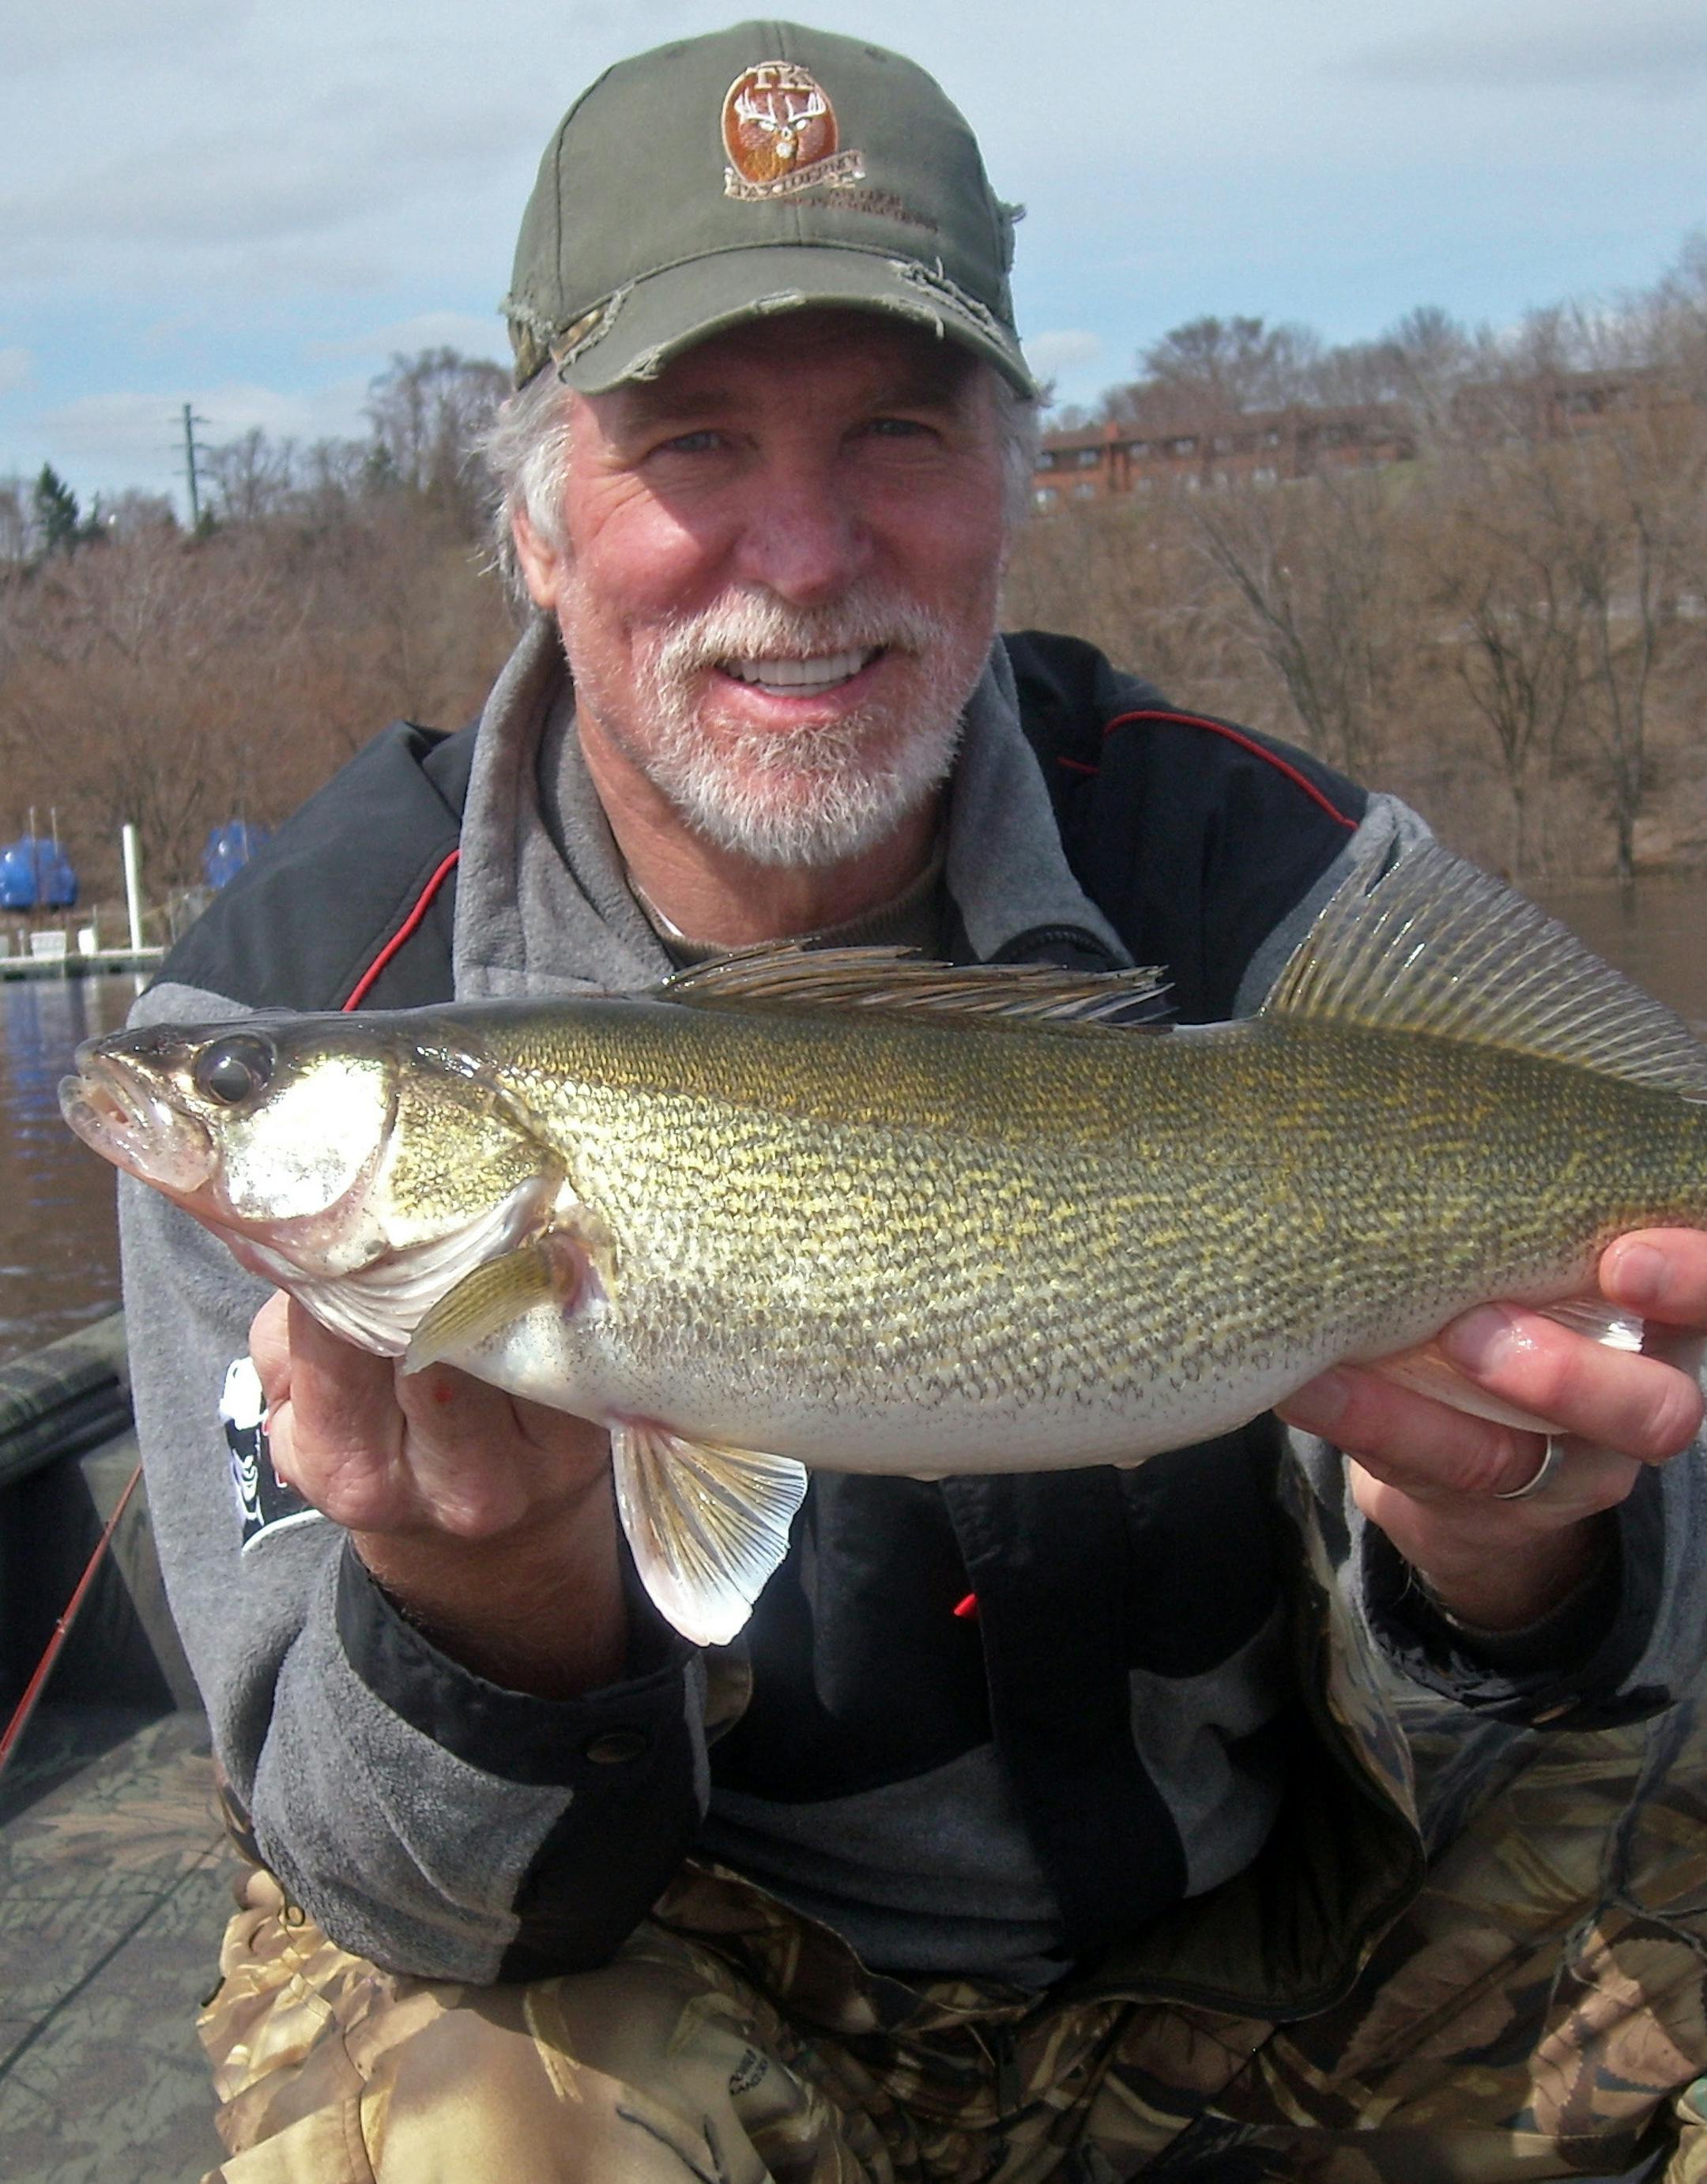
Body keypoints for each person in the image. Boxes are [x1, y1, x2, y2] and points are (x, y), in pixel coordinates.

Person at [119, 21, 1707, 2181]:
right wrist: (493, 1617)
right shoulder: (303, 990)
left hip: (1267, 1942)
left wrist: (1512, 1562)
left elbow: (1594, 1689)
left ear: (1014, 481)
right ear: (535, 521)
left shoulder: (1284, 882)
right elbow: (387, 1889)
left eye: (895, 427)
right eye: (691, 443)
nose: (801, 543)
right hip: (695, 1999)